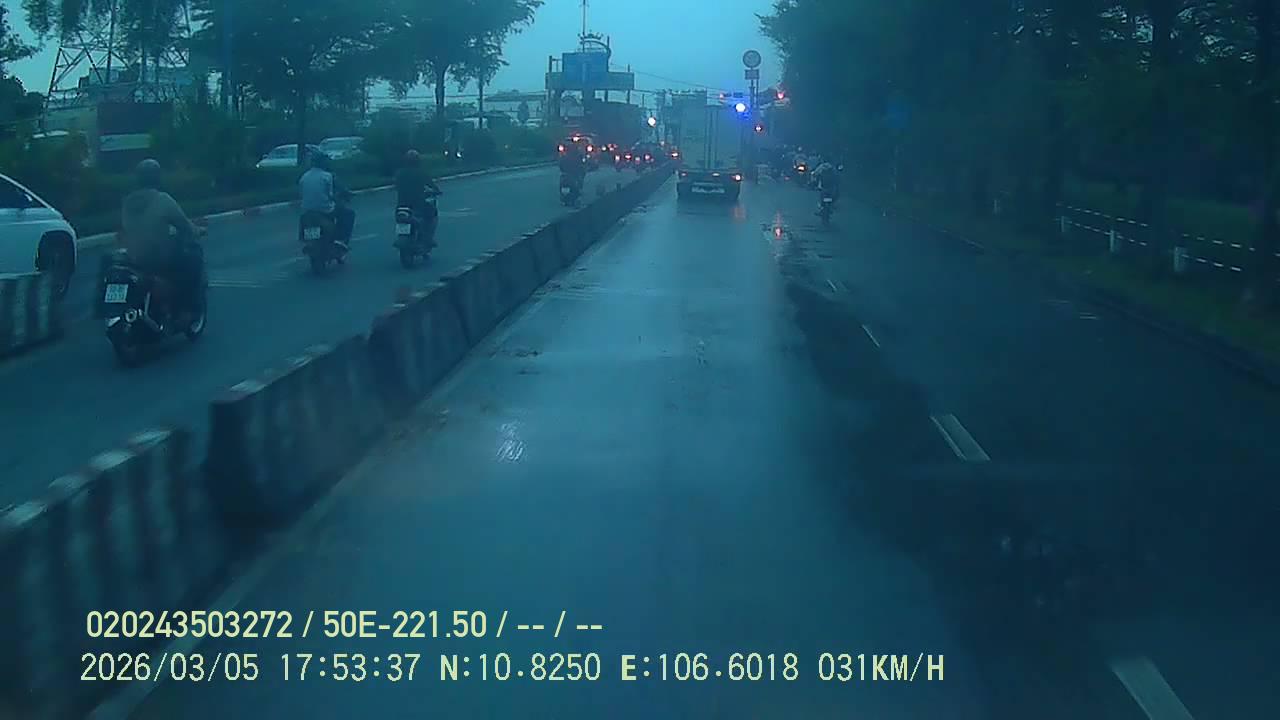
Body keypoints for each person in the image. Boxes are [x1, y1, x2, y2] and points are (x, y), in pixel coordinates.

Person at [119, 158, 204, 316]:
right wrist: (197, 231)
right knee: (192, 261)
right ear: (157, 178)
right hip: (157, 258)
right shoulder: (162, 199)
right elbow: (184, 225)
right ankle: (186, 310)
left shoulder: (127, 202)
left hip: (132, 259)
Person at [298, 151, 355, 244]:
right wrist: (340, 199)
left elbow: (301, 195)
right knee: (349, 214)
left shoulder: (304, 177)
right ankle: (341, 240)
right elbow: (330, 195)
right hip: (325, 210)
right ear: (323, 162)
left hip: (307, 210)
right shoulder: (327, 176)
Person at [395, 149, 443, 245]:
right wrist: (437, 191)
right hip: (417, 205)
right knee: (432, 214)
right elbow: (431, 185)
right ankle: (428, 238)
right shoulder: (421, 173)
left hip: (401, 206)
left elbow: (396, 186)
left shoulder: (399, 173)